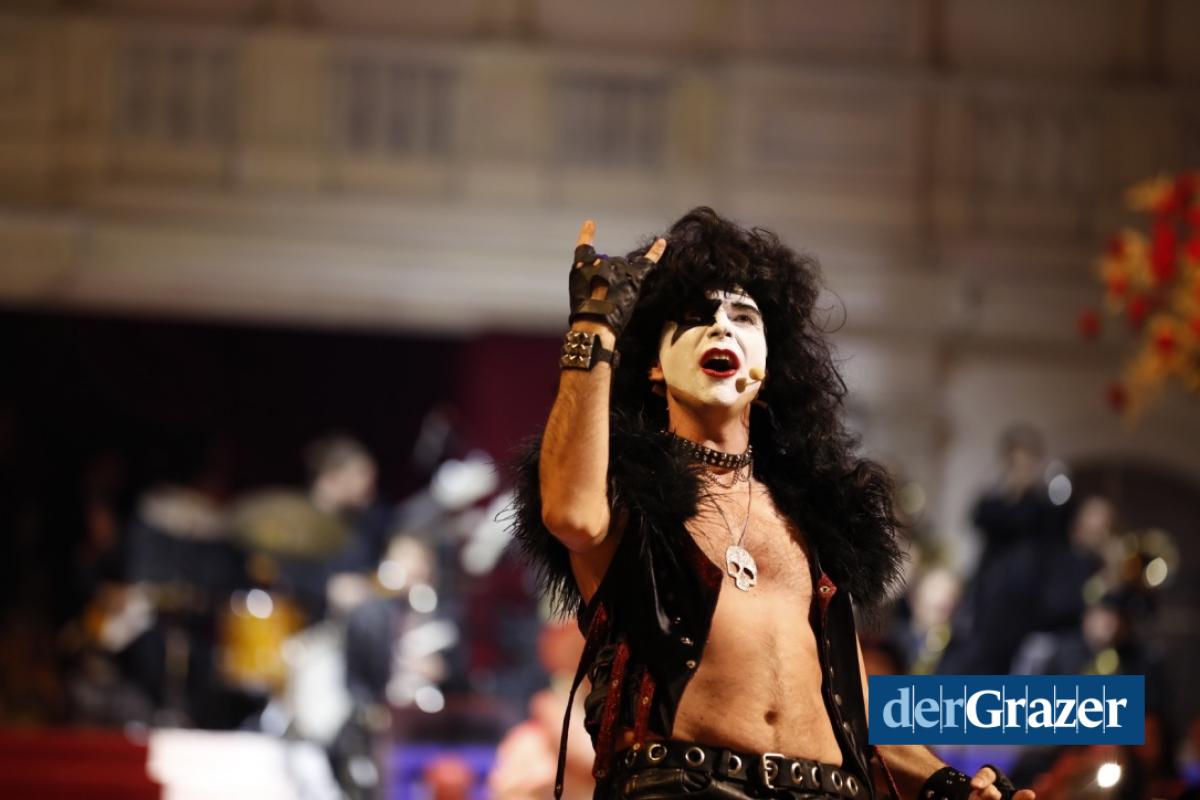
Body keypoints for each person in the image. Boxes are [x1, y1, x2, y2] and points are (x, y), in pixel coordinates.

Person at [510, 208, 1035, 800]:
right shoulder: (627, 495)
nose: (721, 328)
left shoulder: (812, 518)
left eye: (743, 317)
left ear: (767, 366)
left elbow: (857, 715)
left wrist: (951, 786)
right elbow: (571, 516)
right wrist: (594, 329)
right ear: (654, 365)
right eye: (696, 318)